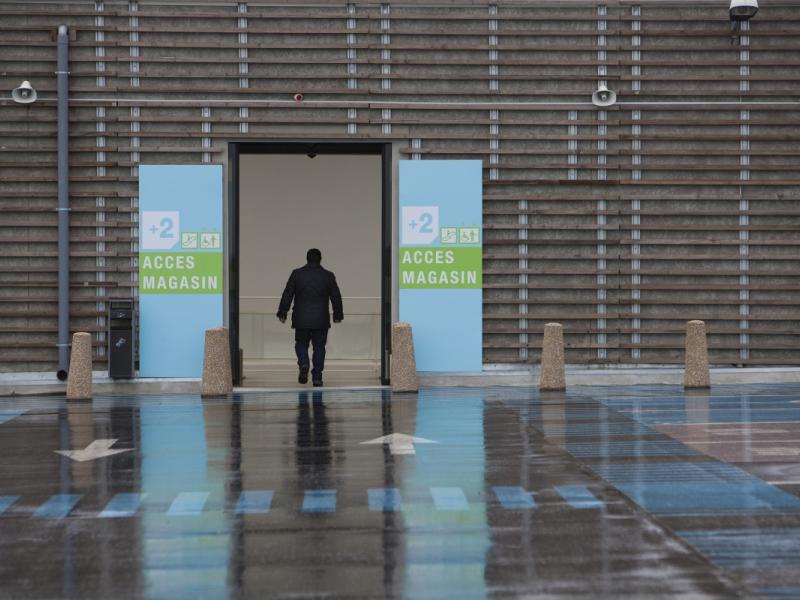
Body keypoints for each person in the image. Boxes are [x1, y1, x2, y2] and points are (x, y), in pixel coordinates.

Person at [277, 248, 343, 387]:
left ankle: (304, 363)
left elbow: (287, 294)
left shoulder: (297, 274)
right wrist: (338, 314)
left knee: (301, 344)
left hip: (301, 319)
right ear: (320, 259)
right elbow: (336, 296)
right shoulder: (328, 276)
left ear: (307, 259)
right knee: (319, 347)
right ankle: (317, 377)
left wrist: (283, 311)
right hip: (321, 319)